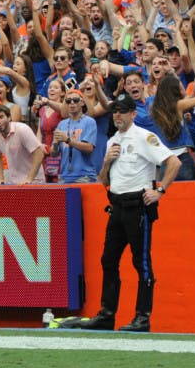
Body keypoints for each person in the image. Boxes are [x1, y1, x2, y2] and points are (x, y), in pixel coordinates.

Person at [64, 92, 180, 333]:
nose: (117, 115)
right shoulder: (112, 141)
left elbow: (174, 162)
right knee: (108, 260)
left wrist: (159, 190)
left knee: (142, 263)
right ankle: (107, 314)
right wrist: (106, 161)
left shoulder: (143, 137)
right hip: (116, 206)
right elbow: (102, 180)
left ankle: (142, 317)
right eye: (115, 110)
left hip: (138, 206)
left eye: (122, 111)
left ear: (133, 114)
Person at [0, 105, 47, 185]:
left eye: (1, 117)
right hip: (14, 182)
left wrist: (29, 179)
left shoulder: (22, 129)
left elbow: (39, 154)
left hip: (34, 182)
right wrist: (0, 178)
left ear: (9, 118)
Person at [51, 89, 97, 184]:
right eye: (68, 101)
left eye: (75, 100)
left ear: (82, 102)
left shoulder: (89, 122)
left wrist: (68, 140)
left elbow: (89, 148)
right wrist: (55, 143)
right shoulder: (61, 124)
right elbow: (54, 154)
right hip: (64, 177)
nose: (72, 103)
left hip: (84, 176)